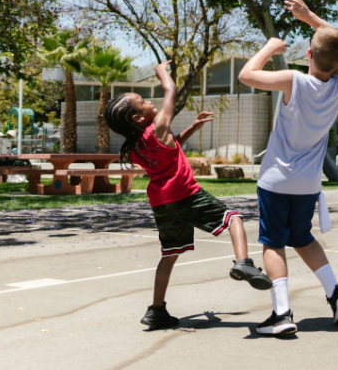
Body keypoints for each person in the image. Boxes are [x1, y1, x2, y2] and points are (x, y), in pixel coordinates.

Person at [103, 61, 271, 330]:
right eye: (143, 100)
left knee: (169, 254)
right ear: (137, 118)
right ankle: (245, 264)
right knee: (233, 219)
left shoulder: (136, 145)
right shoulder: (158, 126)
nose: (149, 102)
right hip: (184, 193)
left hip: (161, 201)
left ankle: (156, 310)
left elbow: (168, 147)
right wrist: (162, 74)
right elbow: (170, 90)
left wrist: (192, 129)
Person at [238, 0, 338, 337]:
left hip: (276, 181)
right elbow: (337, 41)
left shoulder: (293, 80)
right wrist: (311, 18)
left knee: (274, 244)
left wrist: (270, 47)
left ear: (308, 55)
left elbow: (247, 75)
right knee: (302, 238)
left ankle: (282, 313)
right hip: (308, 185)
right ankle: (335, 293)